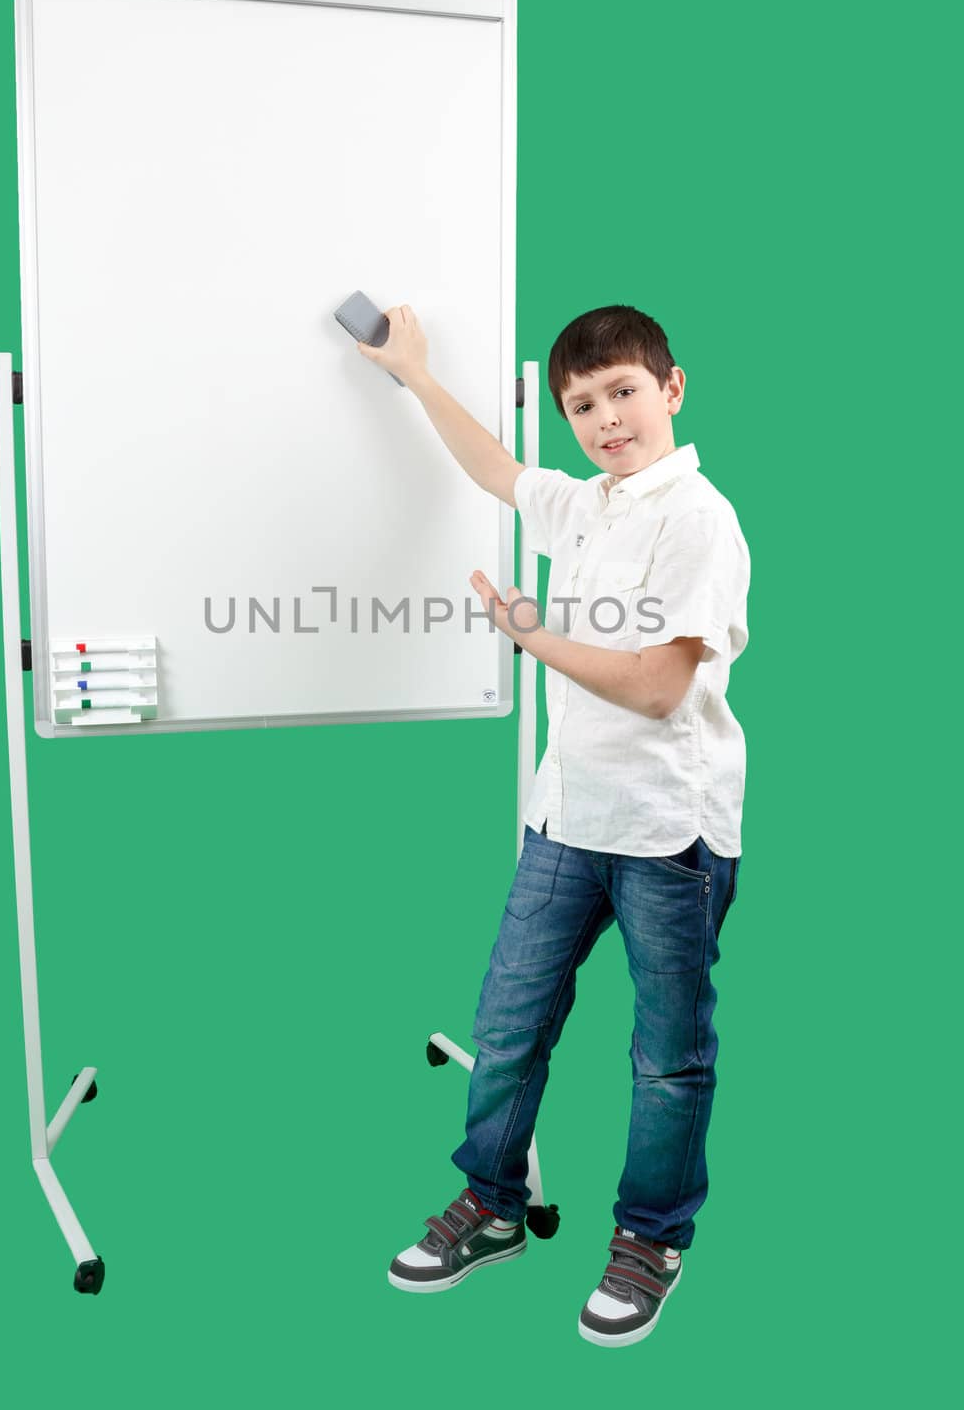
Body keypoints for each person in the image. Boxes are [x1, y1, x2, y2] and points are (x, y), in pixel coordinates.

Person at [356, 303, 749, 1348]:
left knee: (666, 1057)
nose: (604, 418)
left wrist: (530, 634)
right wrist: (413, 374)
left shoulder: (696, 518)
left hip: (669, 831)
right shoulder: (585, 506)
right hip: (566, 817)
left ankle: (649, 1240)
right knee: (508, 1022)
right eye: (581, 405)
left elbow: (661, 687)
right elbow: (493, 467)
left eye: (622, 391)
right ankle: (488, 1206)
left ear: (669, 388)